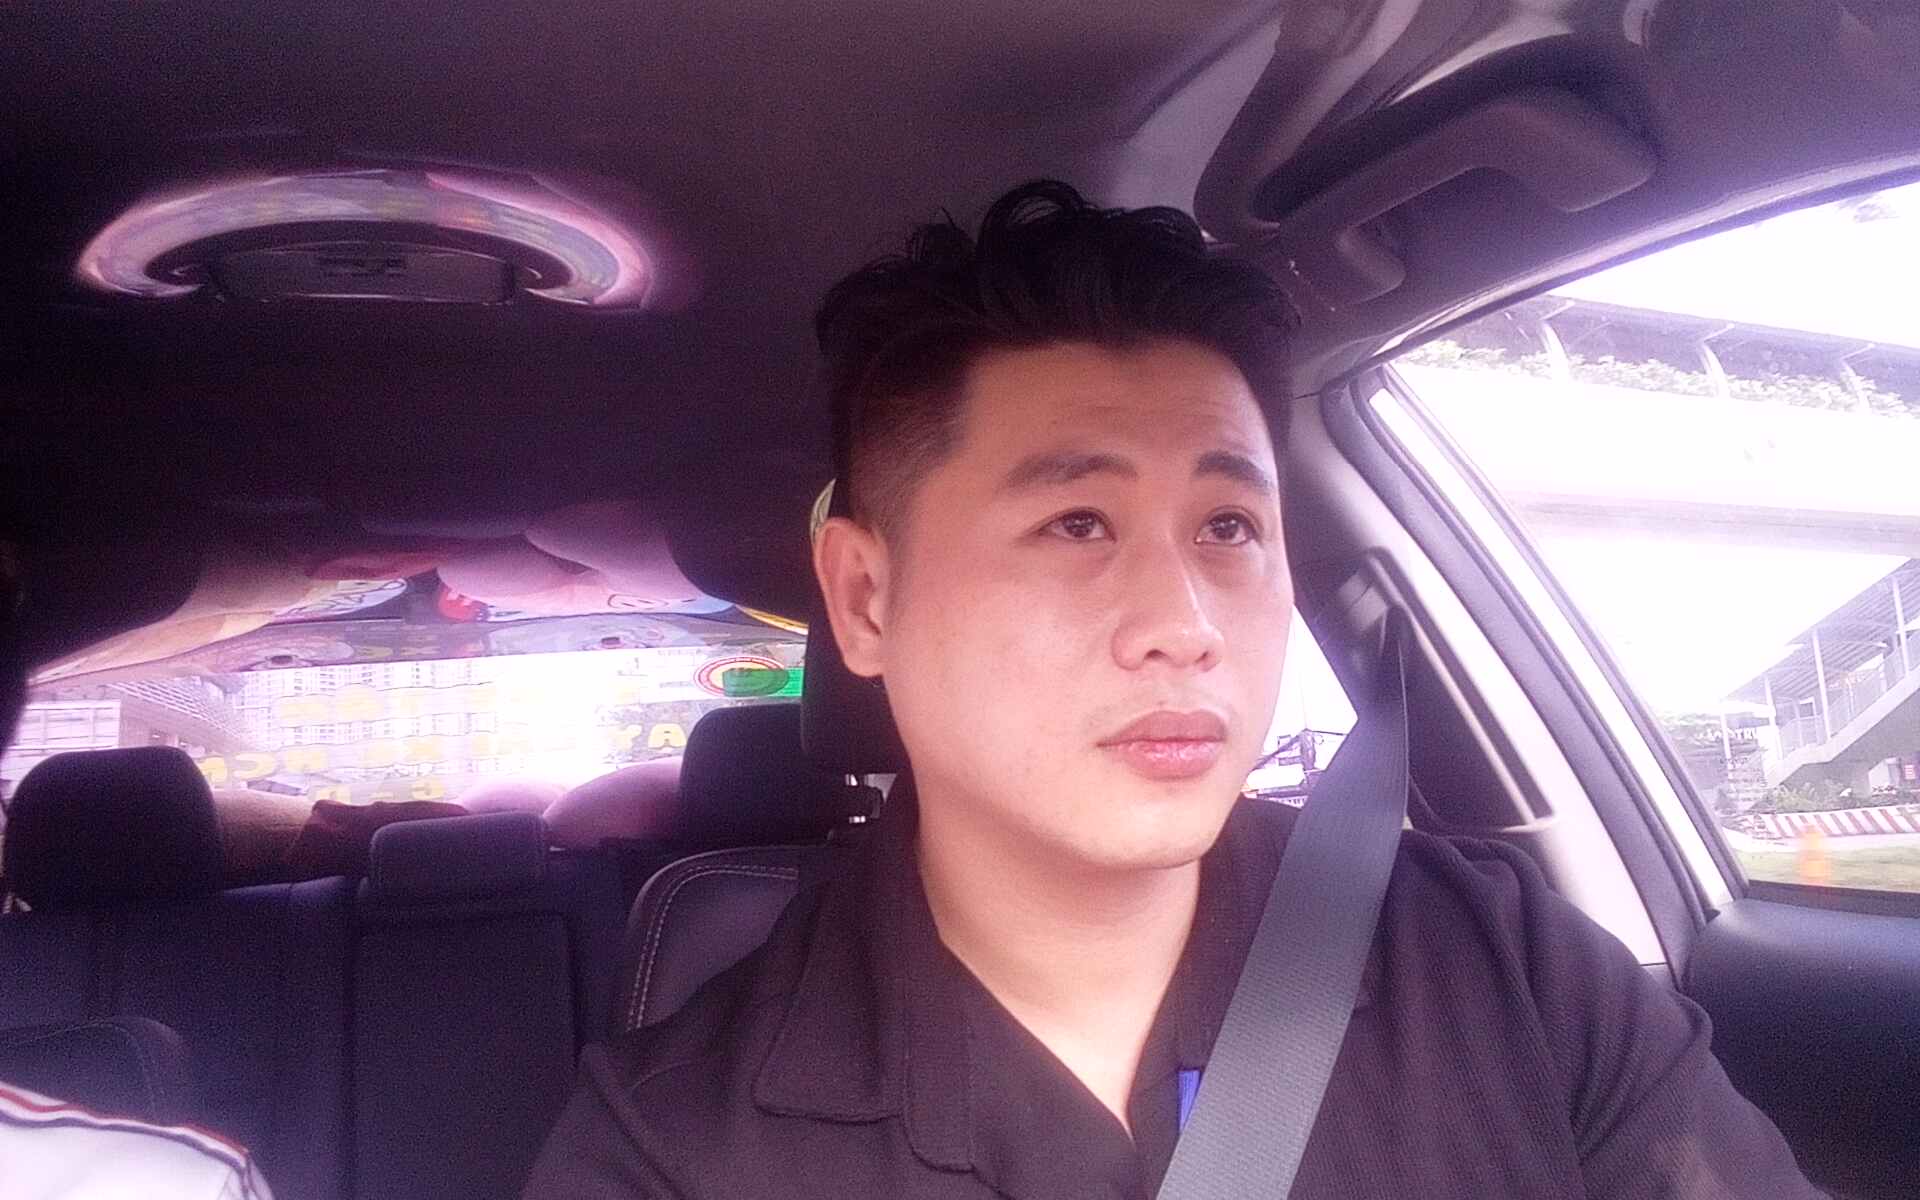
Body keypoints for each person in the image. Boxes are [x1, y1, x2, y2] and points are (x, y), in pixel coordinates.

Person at [522, 181, 1823, 1198]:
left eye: (1229, 528)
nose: (1184, 627)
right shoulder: (674, 1149)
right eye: (1077, 524)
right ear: (866, 600)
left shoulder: (1507, 972)